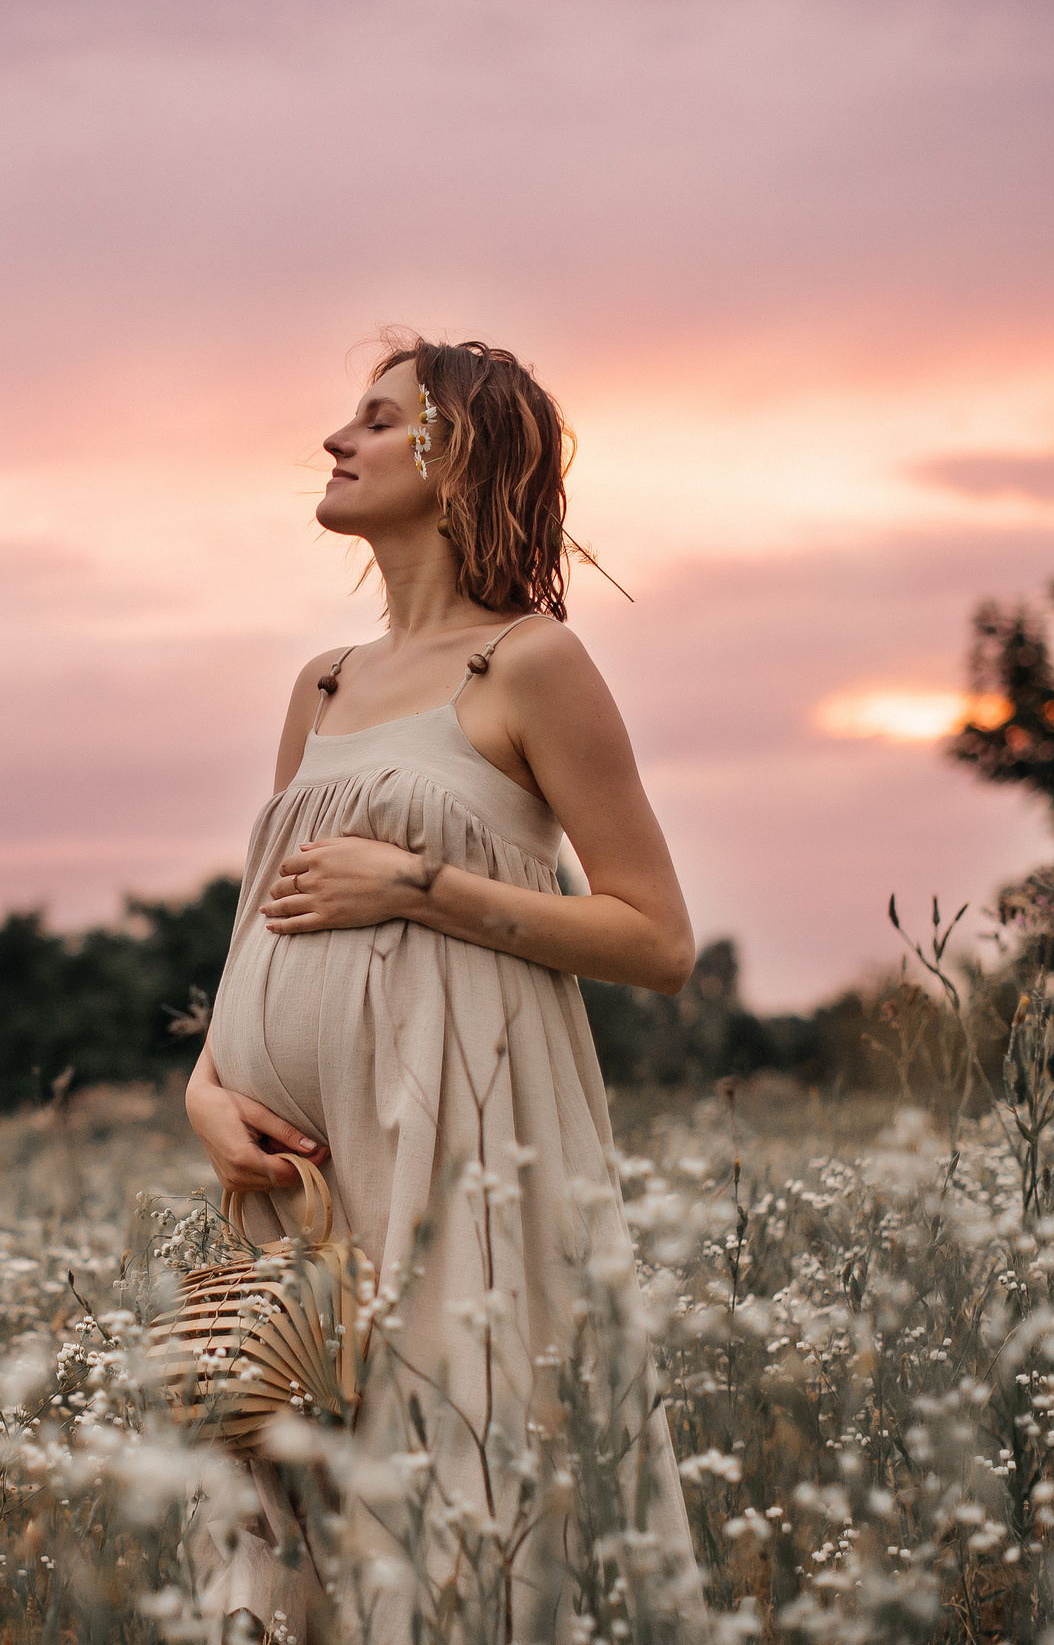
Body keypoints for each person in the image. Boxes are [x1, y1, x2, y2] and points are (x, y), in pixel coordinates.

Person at [182, 336, 708, 1641]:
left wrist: (420, 887)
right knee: (283, 1490)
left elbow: (656, 937)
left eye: (373, 419)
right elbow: (266, 917)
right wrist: (202, 1087)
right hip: (291, 1177)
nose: (334, 440)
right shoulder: (324, 684)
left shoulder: (530, 666)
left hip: (457, 1143)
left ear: (452, 455)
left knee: (452, 1480)